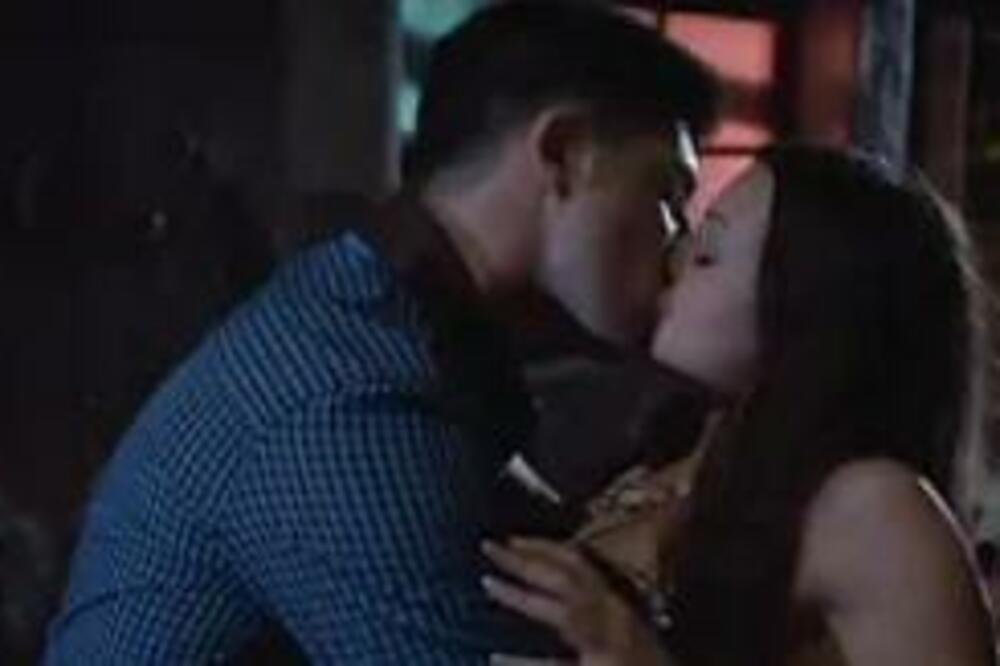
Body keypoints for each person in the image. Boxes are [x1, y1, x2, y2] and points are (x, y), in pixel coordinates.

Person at [44, 2, 719, 663]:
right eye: (667, 194)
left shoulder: (404, 325)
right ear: (563, 154)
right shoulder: (352, 391)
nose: (682, 243)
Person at [482, 144, 998, 666]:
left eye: (708, 253)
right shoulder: (676, 451)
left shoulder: (871, 505)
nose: (674, 262)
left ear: (803, 308)